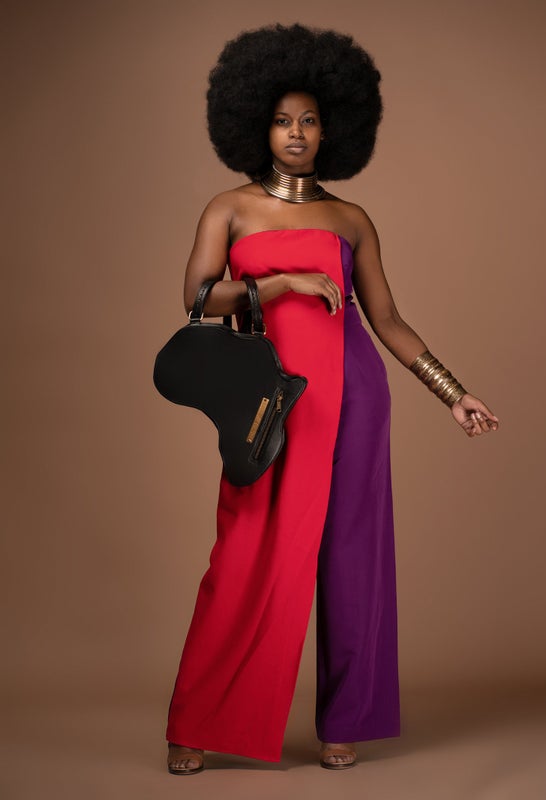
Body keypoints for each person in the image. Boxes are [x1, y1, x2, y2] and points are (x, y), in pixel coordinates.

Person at [165, 23, 499, 775]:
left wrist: (453, 392)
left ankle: (344, 720)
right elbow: (196, 298)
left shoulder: (351, 220)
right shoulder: (229, 208)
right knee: (245, 556)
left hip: (352, 400)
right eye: (283, 119)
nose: (296, 132)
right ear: (257, 125)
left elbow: (386, 320)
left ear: (332, 129)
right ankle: (198, 722)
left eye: (310, 119)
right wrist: (278, 284)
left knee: (352, 557)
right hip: (268, 402)